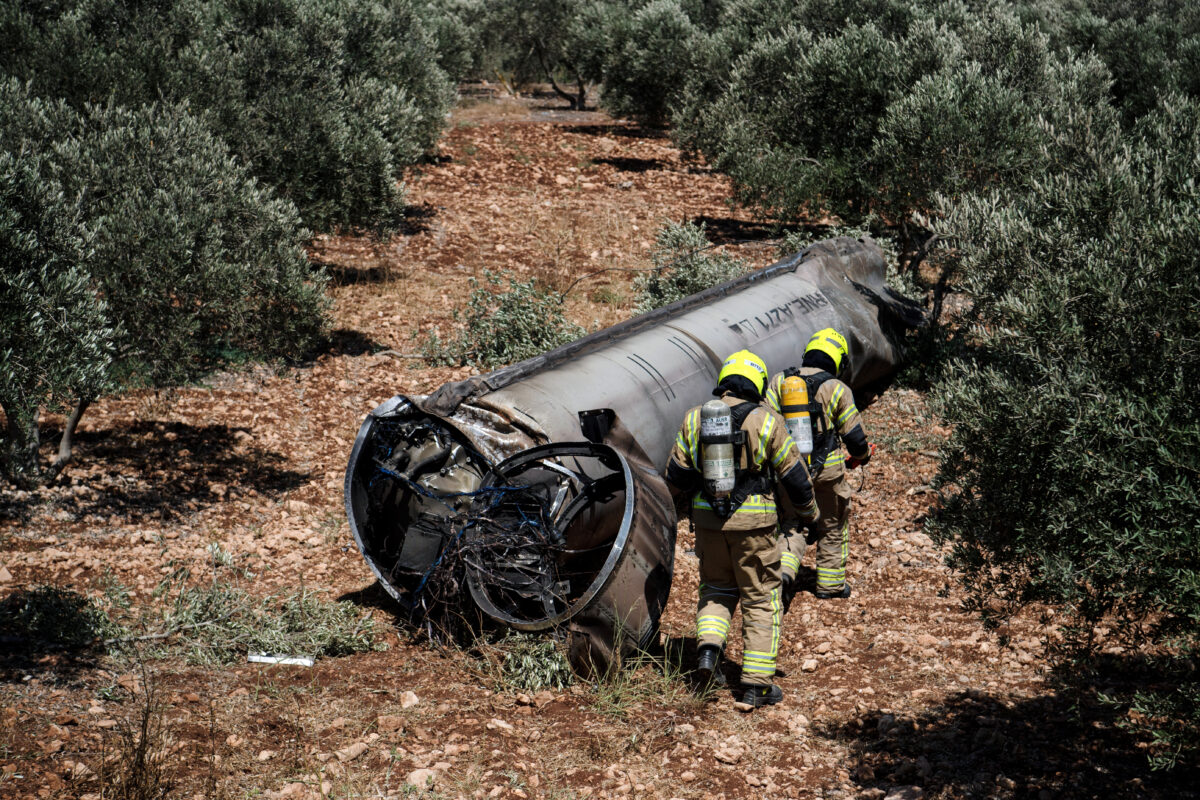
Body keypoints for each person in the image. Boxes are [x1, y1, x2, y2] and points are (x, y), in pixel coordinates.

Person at [664, 349, 820, 708]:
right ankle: (756, 686)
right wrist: (810, 515)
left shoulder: (694, 418)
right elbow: (796, 479)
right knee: (761, 599)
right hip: (754, 526)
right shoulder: (767, 421)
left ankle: (708, 652)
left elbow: (676, 478)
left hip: (707, 523)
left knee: (716, 589)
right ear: (758, 384)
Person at [765, 328, 872, 601]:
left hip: (789, 472)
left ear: (807, 353)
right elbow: (855, 438)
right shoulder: (837, 388)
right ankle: (830, 585)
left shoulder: (779, 381)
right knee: (833, 524)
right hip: (828, 473)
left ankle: (784, 574)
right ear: (839, 361)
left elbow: (766, 427)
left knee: (792, 524)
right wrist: (862, 456)